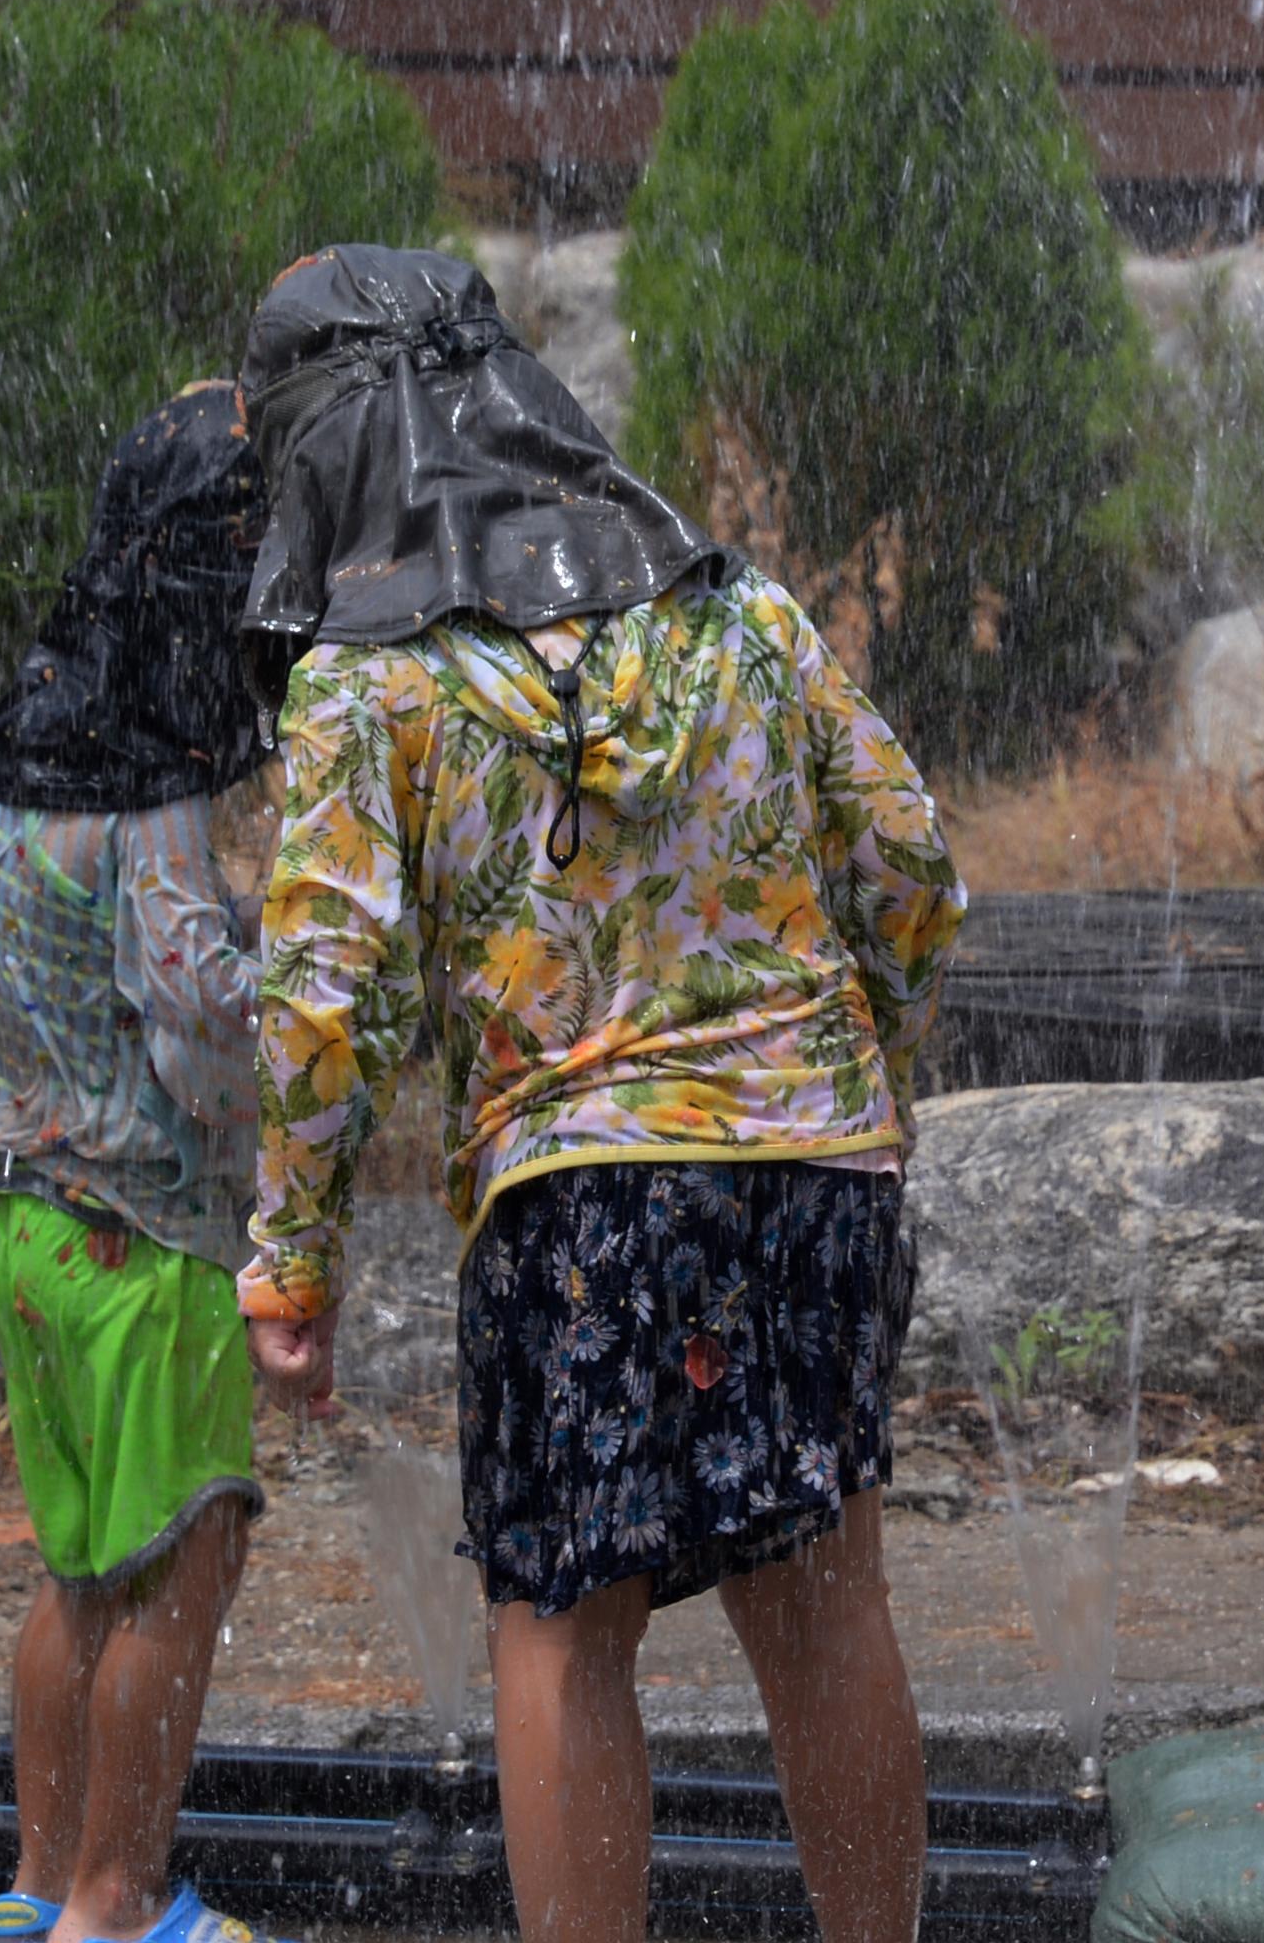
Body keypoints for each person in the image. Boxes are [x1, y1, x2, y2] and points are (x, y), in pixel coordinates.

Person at [230, 245, 963, 1943]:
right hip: (811, 1162)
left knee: (565, 1626)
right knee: (825, 1607)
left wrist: (295, 1260)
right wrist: (871, 1086)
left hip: (578, 1197)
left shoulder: (375, 678)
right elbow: (915, 871)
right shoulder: (742, 613)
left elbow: (319, 997)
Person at [0, 379, 284, 1943]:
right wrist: (280, 1085)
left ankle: (31, 1886)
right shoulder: (150, 793)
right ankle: (121, 1902)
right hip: (142, 1240)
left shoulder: (6, 768)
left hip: (13, 1226)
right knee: (177, 1572)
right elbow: (193, 1004)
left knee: (75, 1577)